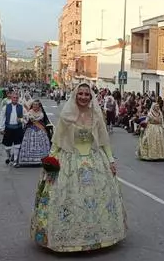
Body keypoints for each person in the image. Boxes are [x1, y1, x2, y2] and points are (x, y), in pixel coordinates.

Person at [30, 83, 126, 252]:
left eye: (86, 94)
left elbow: (104, 142)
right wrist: (50, 161)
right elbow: (58, 141)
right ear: (75, 95)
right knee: (67, 199)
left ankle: (95, 236)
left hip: (95, 161)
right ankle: (67, 237)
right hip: (69, 160)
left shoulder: (97, 116)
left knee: (95, 199)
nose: (83, 97)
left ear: (91, 97)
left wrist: (111, 161)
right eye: (80, 94)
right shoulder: (66, 116)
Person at [16, 100, 52, 167]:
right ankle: (27, 160)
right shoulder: (29, 113)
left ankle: (42, 160)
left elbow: (44, 121)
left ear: (39, 105)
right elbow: (26, 121)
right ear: (32, 105)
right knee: (29, 143)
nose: (35, 106)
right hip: (31, 130)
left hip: (40, 130)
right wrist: (20, 120)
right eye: (34, 104)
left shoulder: (41, 113)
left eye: (37, 105)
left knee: (42, 143)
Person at [0, 92, 25, 166]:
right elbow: (2, 117)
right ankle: (9, 156)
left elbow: (25, 117)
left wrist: (22, 120)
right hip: (8, 128)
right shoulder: (6, 107)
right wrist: (1, 128)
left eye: (17, 98)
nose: (15, 99)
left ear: (18, 99)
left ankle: (15, 161)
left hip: (18, 128)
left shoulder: (21, 107)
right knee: (7, 147)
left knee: (17, 145)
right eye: (14, 97)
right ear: (11, 98)